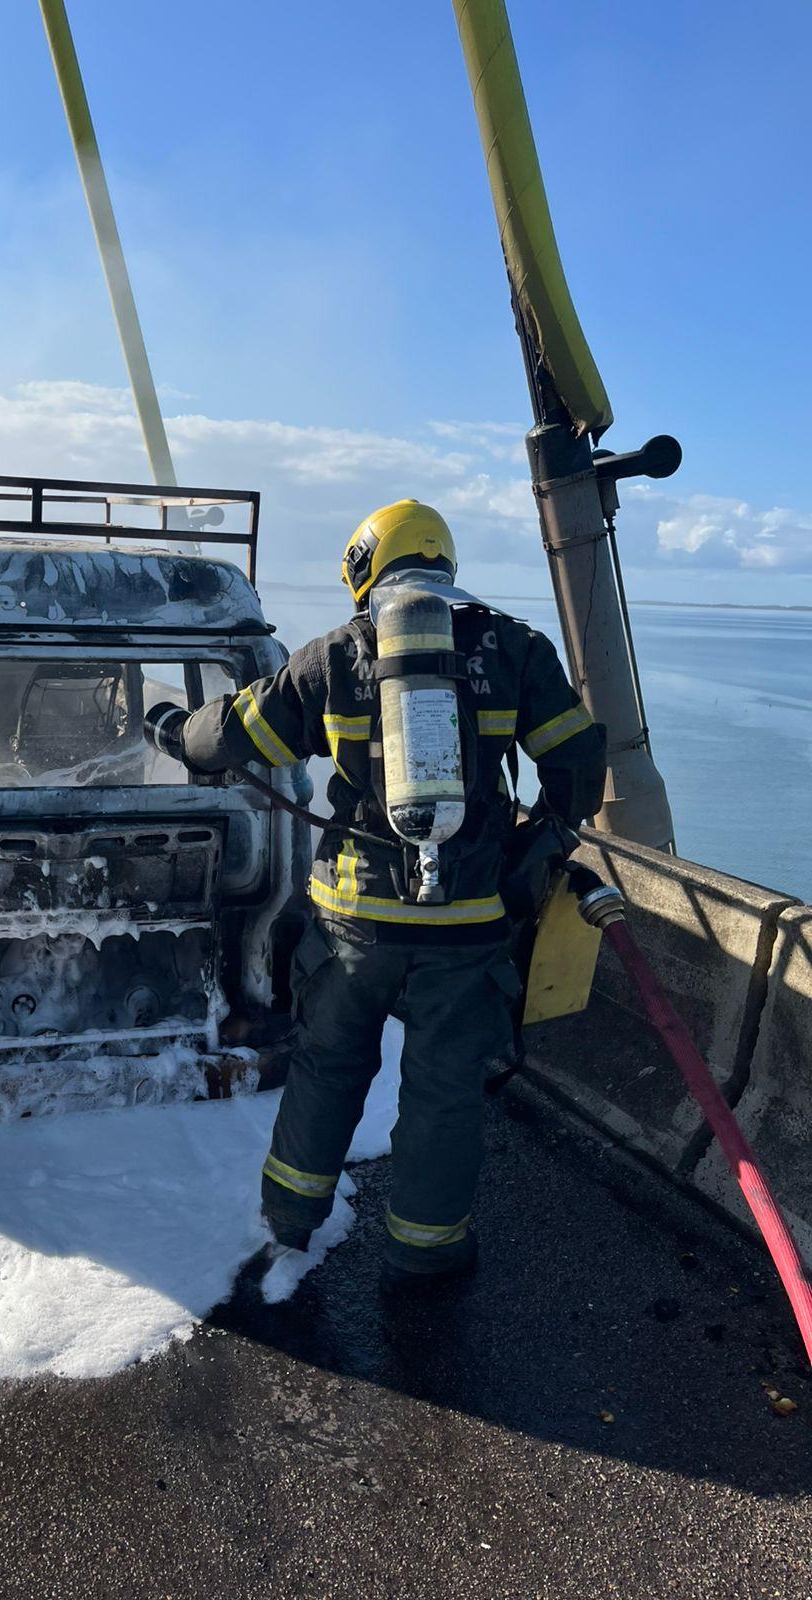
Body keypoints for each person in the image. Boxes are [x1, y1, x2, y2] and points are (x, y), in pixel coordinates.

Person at [147, 500, 606, 1288]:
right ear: (444, 562)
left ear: (366, 567)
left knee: (329, 1067)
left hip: (355, 921)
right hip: (467, 924)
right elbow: (575, 766)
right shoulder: (517, 648)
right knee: (445, 1089)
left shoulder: (336, 654)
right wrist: (535, 841)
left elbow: (234, 737)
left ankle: (289, 1218)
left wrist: (170, 728)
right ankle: (426, 1250)